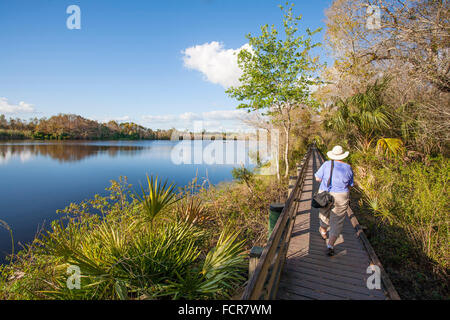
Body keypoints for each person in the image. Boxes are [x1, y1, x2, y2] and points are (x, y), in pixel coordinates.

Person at [314, 145, 354, 256]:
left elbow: (317, 178)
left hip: (325, 194)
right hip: (341, 196)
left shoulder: (326, 164)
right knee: (337, 220)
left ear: (332, 155)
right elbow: (350, 184)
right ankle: (330, 245)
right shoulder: (348, 167)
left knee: (324, 214)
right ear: (343, 156)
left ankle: (323, 230)